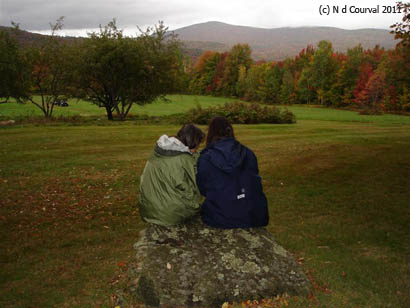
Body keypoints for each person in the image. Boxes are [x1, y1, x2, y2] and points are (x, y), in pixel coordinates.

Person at [196, 117, 269, 229]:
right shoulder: (248, 153)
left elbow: (202, 188)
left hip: (221, 216)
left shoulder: (206, 157)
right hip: (252, 214)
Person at [139, 124, 205, 227]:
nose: (197, 148)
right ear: (193, 142)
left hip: (148, 209)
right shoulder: (184, 159)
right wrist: (197, 206)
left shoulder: (158, 152)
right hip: (170, 215)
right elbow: (190, 189)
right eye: (198, 145)